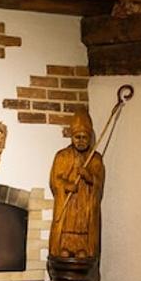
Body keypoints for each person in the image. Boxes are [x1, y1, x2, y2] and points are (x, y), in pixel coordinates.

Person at [48, 108, 105, 259]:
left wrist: (89, 177)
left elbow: (99, 184)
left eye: (84, 137)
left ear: (90, 137)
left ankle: (83, 249)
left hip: (84, 212)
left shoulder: (95, 159)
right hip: (68, 210)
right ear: (71, 137)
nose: (80, 141)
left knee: (83, 253)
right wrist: (66, 186)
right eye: (77, 137)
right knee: (64, 251)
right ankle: (64, 248)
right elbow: (54, 181)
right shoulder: (62, 156)